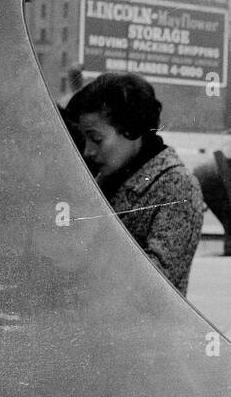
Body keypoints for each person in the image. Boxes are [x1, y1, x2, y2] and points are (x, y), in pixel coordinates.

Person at [65, 72, 206, 294]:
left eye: (96, 139)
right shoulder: (109, 174)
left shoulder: (176, 186)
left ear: (131, 129)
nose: (88, 151)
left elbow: (157, 285)